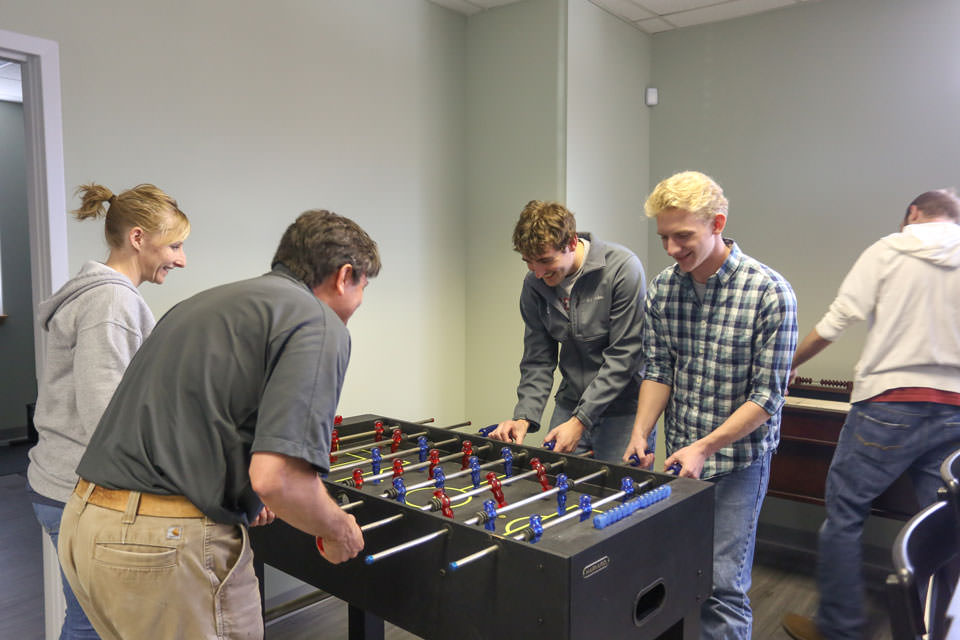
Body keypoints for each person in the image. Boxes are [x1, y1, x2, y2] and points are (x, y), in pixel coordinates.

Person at [57, 209, 379, 640]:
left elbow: (195, 419)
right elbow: (279, 477)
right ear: (344, 276)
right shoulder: (318, 322)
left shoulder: (204, 304)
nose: (358, 303)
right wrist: (338, 528)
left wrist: (240, 492)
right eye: (363, 287)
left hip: (85, 525)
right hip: (163, 544)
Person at [622, 171, 797, 640]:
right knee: (673, 577)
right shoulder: (663, 289)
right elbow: (658, 370)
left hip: (737, 462)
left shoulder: (770, 293)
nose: (672, 249)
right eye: (664, 237)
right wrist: (641, 433)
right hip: (681, 459)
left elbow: (767, 397)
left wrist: (705, 447)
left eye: (684, 236)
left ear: (717, 223)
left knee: (722, 589)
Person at [781, 190, 960, 640]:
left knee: (845, 515)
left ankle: (839, 629)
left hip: (888, 403)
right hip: (955, 408)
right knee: (942, 527)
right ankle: (931, 627)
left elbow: (838, 321)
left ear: (912, 214)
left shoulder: (887, 249)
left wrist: (789, 361)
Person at [26, 183, 189, 639]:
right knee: (99, 627)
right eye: (174, 246)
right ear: (138, 238)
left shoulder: (105, 296)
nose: (181, 260)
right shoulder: (111, 301)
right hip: (81, 494)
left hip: (62, 486)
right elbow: (107, 420)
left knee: (92, 622)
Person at [489, 200, 650, 462]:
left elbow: (623, 358)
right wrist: (523, 417)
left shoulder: (622, 269)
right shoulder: (534, 285)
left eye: (545, 260)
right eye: (529, 262)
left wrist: (580, 421)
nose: (538, 273)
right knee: (554, 484)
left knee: (619, 496)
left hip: (624, 408)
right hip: (571, 400)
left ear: (572, 243)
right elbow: (538, 359)